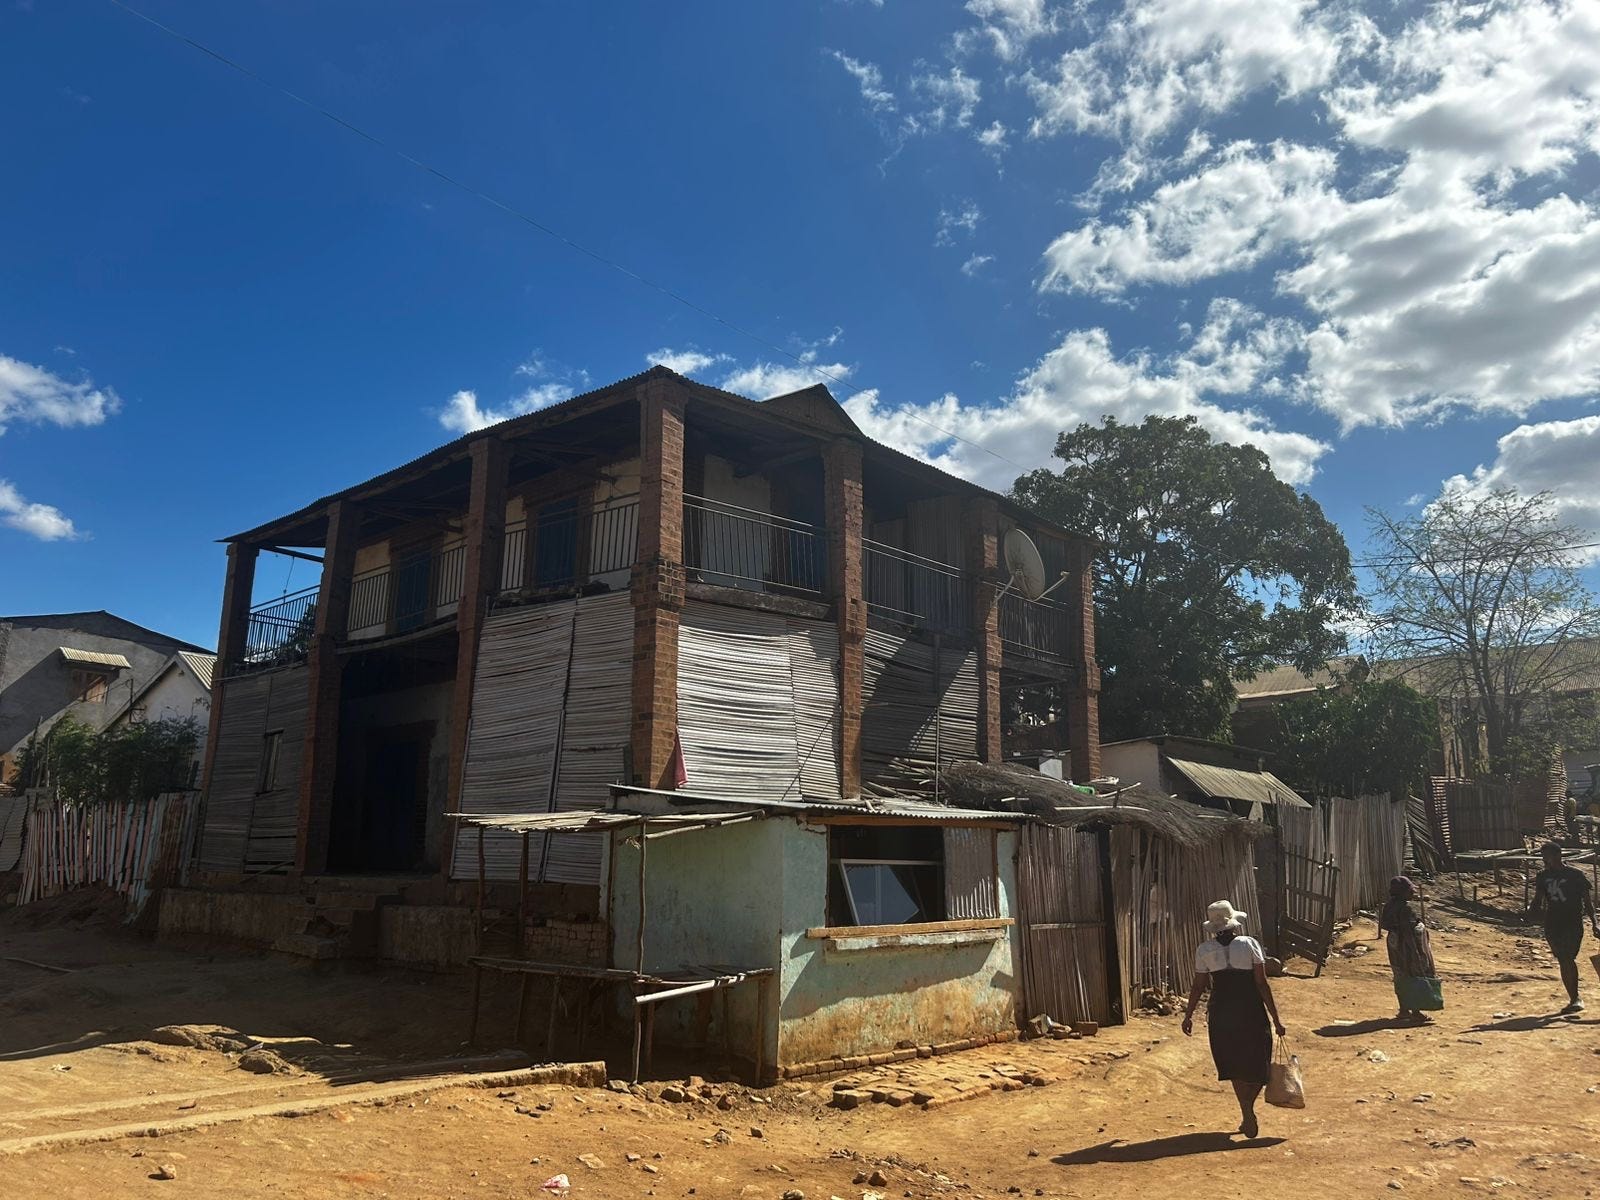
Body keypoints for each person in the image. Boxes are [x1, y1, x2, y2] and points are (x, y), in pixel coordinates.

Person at [1181, 900, 1286, 1139]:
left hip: (1221, 1011)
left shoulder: (1204, 950)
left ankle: (1246, 1109)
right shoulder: (1249, 944)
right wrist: (1276, 1019)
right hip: (1250, 1008)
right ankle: (1248, 1106)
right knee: (1259, 1060)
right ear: (1234, 923)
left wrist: (1188, 1016)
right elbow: (1262, 983)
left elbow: (1198, 986)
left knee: (1233, 1062)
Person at [1529, 842, 1600, 1014]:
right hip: (1553, 922)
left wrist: (1595, 922)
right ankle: (1574, 998)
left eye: (1547, 856)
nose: (1545, 859)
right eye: (1543, 856)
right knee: (1563, 958)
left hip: (1572, 921)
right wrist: (1531, 912)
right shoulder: (1543, 876)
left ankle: (1575, 998)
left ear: (1558, 855)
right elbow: (1538, 899)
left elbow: (1587, 902)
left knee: (1568, 957)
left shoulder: (1575, 875)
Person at [1376, 876, 1439, 1023]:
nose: (1413, 893)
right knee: (1414, 974)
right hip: (1406, 945)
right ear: (1401, 892)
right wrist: (1415, 952)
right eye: (1410, 891)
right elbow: (1407, 932)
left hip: (1394, 944)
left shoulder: (1389, 906)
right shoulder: (1405, 909)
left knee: (1400, 974)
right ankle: (1416, 1012)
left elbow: (1384, 924)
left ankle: (1404, 1010)